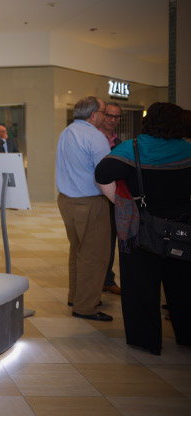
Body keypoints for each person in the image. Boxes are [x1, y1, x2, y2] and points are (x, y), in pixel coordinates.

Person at [95, 102, 191, 355]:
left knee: (140, 287)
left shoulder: (133, 148)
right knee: (183, 285)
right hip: (183, 230)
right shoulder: (187, 149)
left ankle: (146, 340)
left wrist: (122, 202)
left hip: (141, 228)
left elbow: (102, 173)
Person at [56, 96, 112, 321]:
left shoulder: (66, 132)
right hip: (90, 202)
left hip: (67, 201)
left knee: (77, 251)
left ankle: (76, 296)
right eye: (103, 112)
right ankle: (86, 306)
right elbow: (106, 174)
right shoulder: (95, 137)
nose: (106, 116)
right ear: (93, 115)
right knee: (94, 256)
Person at [98, 102, 123, 296]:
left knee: (112, 239)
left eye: (116, 117)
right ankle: (97, 280)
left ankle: (107, 279)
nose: (113, 120)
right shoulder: (93, 137)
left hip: (113, 198)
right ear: (101, 115)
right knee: (98, 242)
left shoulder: (119, 142)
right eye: (109, 116)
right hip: (95, 197)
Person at [0, 124, 18, 210]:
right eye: (3, 131)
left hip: (9, 165)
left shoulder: (10, 140)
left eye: (5, 131)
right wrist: (3, 141)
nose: (5, 133)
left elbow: (16, 150)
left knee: (10, 184)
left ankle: (11, 203)